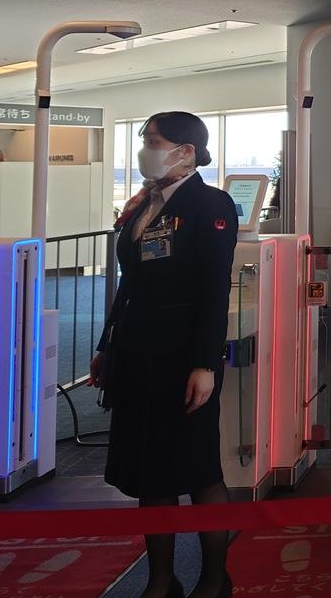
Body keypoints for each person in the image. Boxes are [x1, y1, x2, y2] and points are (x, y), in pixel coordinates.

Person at [89, 112, 238, 598]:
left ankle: (214, 579)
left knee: (199, 470)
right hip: (137, 353)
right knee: (151, 472)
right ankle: (160, 579)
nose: (145, 150)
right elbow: (130, 283)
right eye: (145, 140)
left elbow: (214, 292)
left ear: (186, 151)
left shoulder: (210, 205)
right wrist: (107, 346)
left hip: (183, 358)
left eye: (154, 141)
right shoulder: (144, 205)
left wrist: (206, 364)